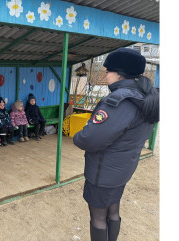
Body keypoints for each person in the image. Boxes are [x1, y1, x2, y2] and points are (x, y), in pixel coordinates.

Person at [73, 48, 159, 241]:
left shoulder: (119, 102)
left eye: (107, 71)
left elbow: (91, 139)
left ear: (120, 73)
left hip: (103, 172)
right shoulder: (146, 97)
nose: (105, 74)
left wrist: (78, 136)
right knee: (112, 209)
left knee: (98, 217)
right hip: (122, 169)